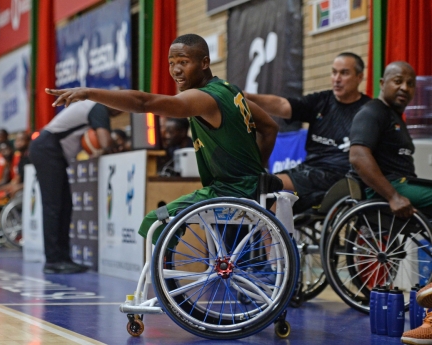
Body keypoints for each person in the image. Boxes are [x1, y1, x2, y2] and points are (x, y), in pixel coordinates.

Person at [45, 33, 279, 246]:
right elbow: (270, 127)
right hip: (249, 186)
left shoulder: (204, 98)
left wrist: (90, 93)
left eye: (183, 62)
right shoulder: (231, 90)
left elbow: (144, 103)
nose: (176, 70)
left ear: (204, 63)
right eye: (171, 63)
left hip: (229, 190)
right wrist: (257, 171)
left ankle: (170, 293)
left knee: (154, 222)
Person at [349, 61, 432, 344]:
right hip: (385, 192)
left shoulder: (394, 118)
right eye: (398, 81)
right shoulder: (373, 112)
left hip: (402, 185)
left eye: (410, 84)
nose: (405, 88)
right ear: (382, 82)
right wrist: (393, 196)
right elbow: (358, 157)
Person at [245, 52, 371, 212]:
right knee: (261, 190)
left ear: (360, 77)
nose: (337, 78)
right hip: (310, 169)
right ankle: (272, 236)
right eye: (334, 72)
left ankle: (272, 236)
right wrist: (247, 97)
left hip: (340, 175)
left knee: (265, 185)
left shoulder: (368, 111)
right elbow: (283, 105)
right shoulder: (321, 101)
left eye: (344, 73)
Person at [29, 101, 121, 274]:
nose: (123, 112)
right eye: (124, 106)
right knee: (53, 207)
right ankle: (53, 261)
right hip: (47, 149)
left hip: (51, 151)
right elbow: (105, 141)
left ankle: (63, 258)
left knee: (64, 207)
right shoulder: (99, 107)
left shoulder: (91, 107)